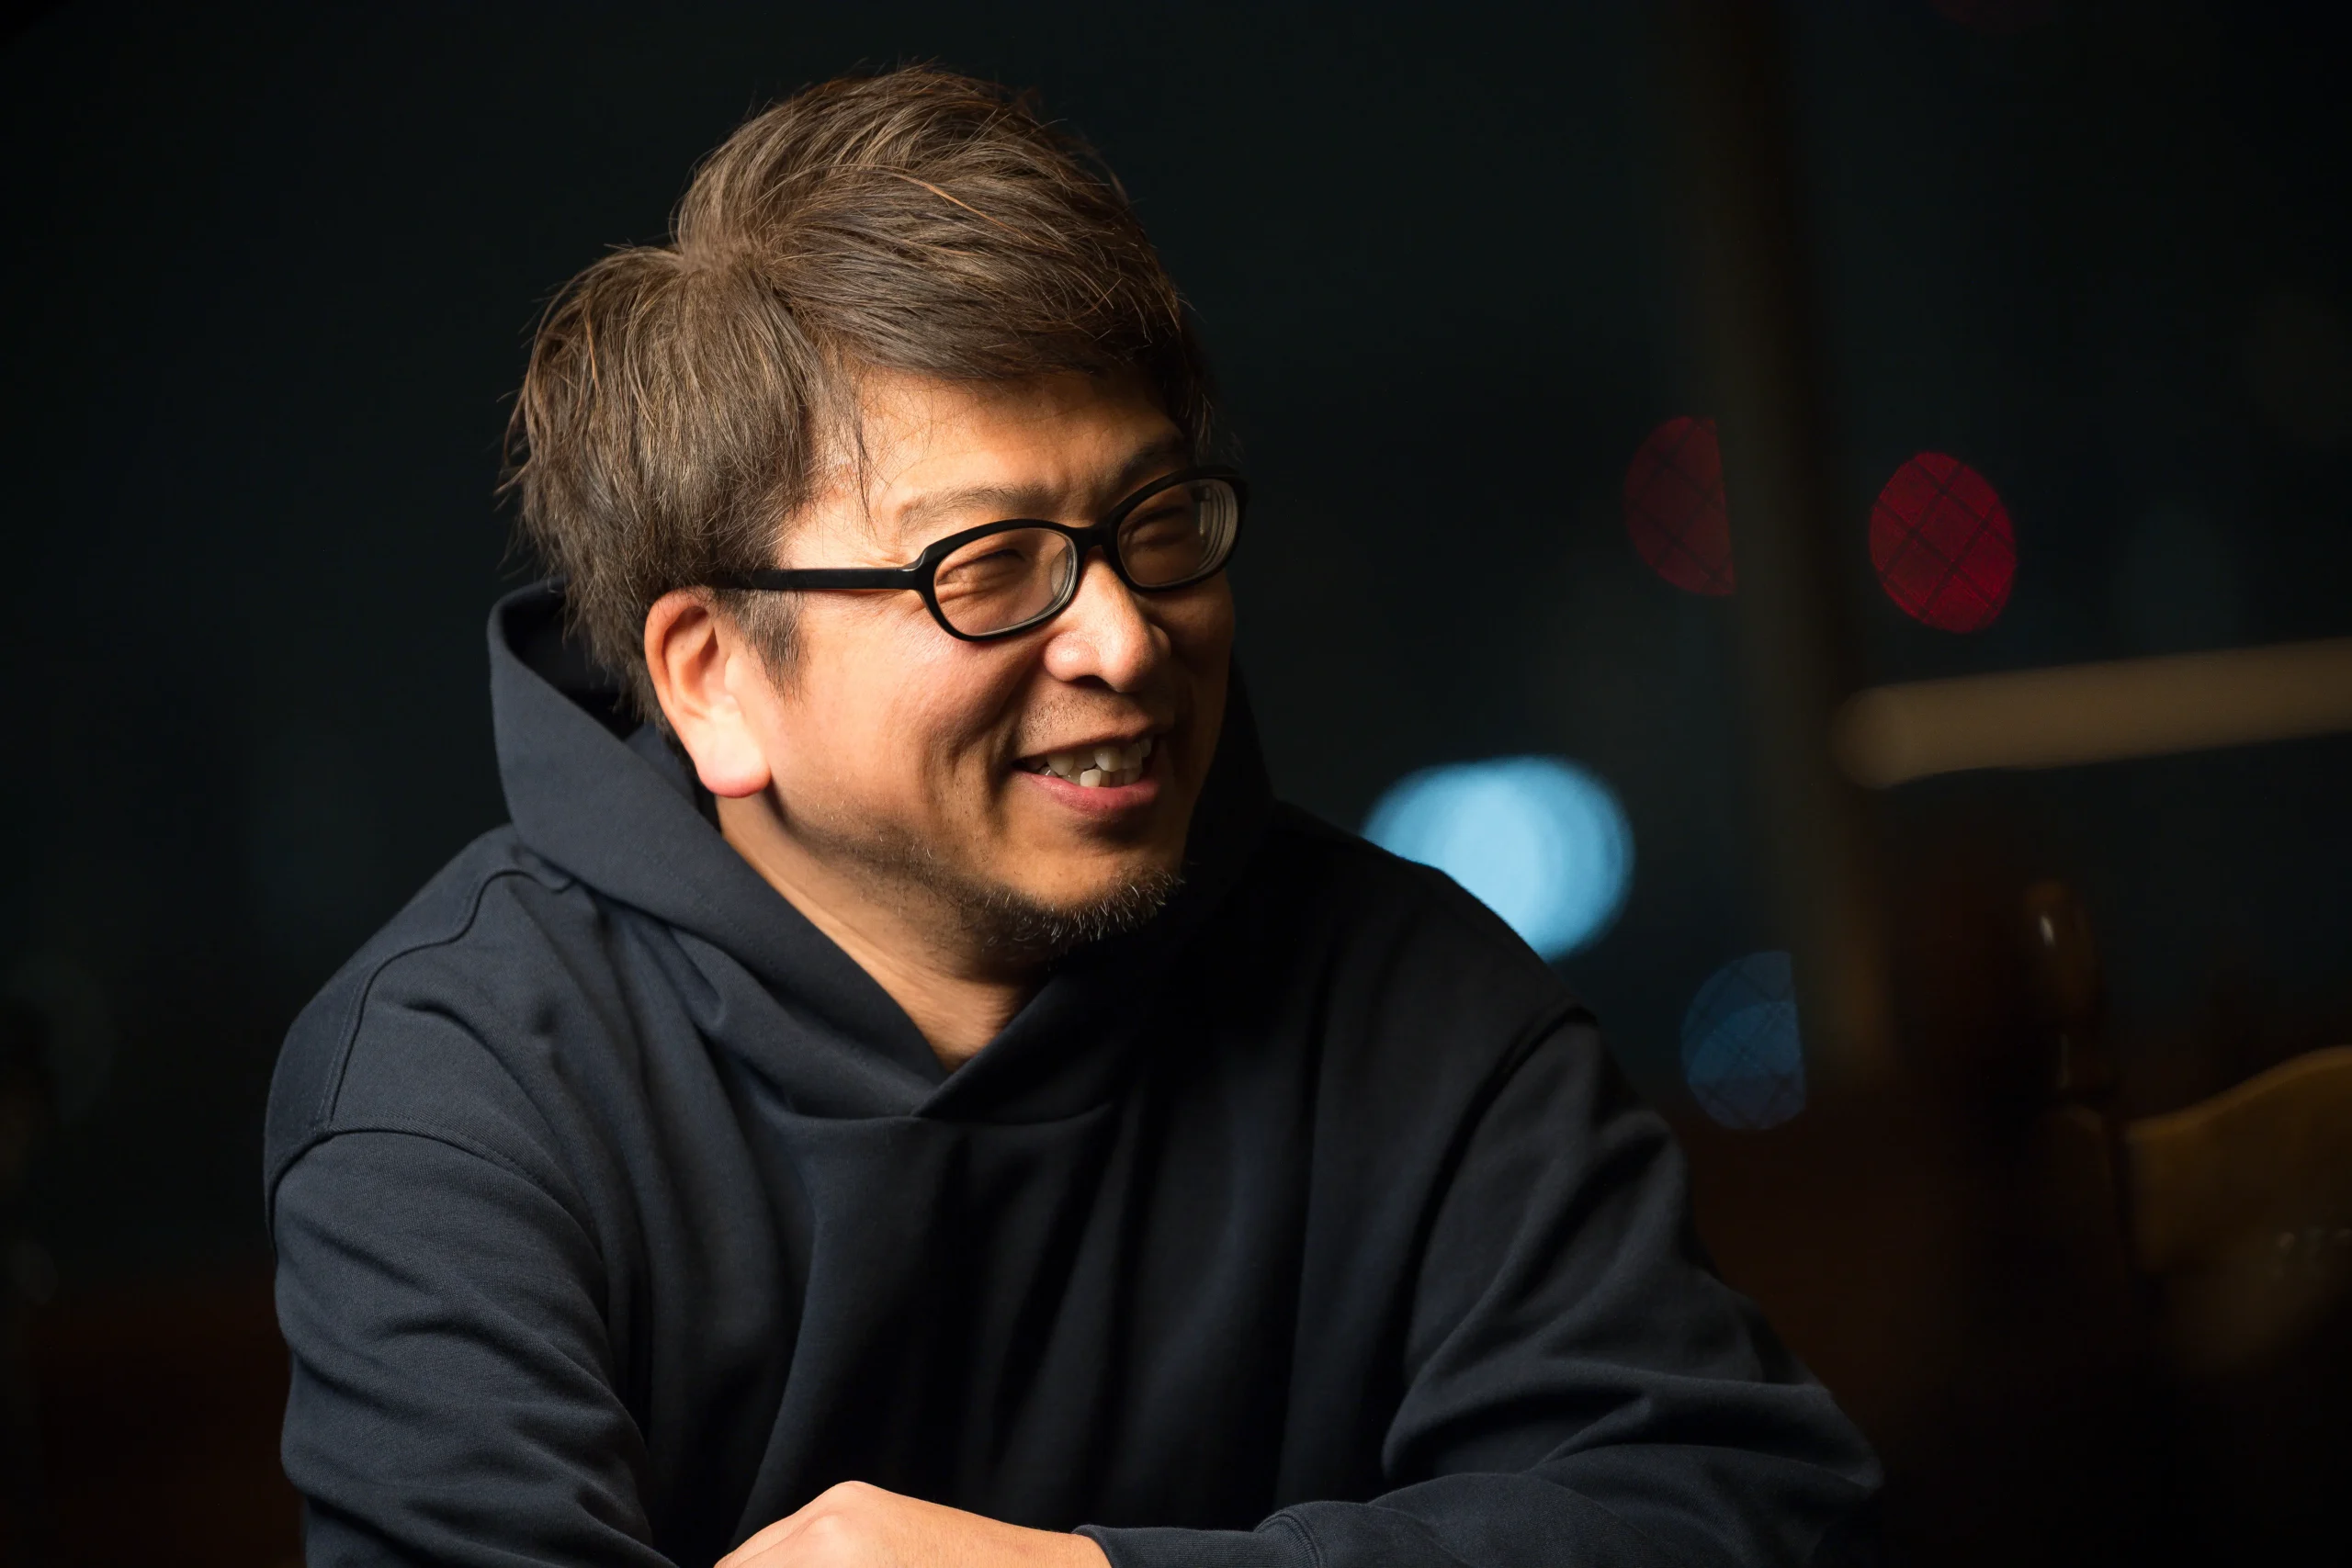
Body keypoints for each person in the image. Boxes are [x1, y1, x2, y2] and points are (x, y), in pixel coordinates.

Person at [265, 66, 1878, 1568]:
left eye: (1154, 522)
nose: (1124, 638)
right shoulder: (459, 1085)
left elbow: (1737, 1511)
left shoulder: (1417, 997)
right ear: (713, 679)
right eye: (987, 567)